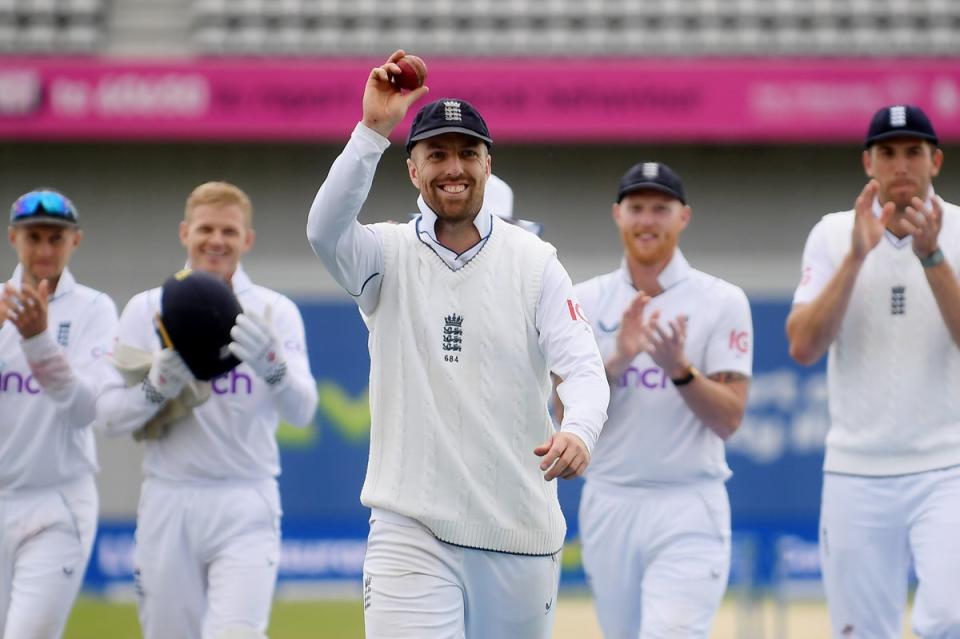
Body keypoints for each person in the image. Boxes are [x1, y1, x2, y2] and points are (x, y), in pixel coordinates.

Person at [306, 49, 609, 638]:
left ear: (488, 165)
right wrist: (372, 130)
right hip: (410, 529)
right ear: (413, 169)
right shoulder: (383, 255)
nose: (454, 167)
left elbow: (584, 369)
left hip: (518, 531)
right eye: (436, 154)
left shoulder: (535, 262)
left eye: (468, 153)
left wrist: (579, 430)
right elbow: (323, 230)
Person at [95, 181, 317, 639]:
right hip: (169, 496)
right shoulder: (147, 309)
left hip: (247, 498)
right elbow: (108, 417)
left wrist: (273, 367)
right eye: (206, 229)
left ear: (247, 240)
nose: (216, 240)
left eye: (229, 231)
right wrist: (156, 387)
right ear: (184, 233)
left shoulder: (275, 311)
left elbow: (303, 412)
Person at [787, 104, 960, 638]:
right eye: (888, 152)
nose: (901, 164)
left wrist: (932, 258)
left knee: (949, 618)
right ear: (868, 162)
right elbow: (803, 345)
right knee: (862, 631)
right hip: (857, 469)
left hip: (948, 464)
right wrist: (856, 258)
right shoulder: (833, 234)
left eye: (913, 152)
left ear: (935, 159)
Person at [566, 163, 752, 638]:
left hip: (688, 501)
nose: (647, 220)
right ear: (617, 214)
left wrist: (680, 371)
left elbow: (729, 419)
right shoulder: (584, 300)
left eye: (660, 208)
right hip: (610, 499)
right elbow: (564, 415)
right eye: (637, 208)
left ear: (683, 216)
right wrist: (619, 359)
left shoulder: (721, 300)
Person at [0, 189, 117, 637]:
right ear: (14, 238)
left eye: (56, 238)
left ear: (76, 241)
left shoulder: (94, 309)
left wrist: (36, 341)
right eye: (34, 237)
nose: (45, 250)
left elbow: (85, 408)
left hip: (57, 504)